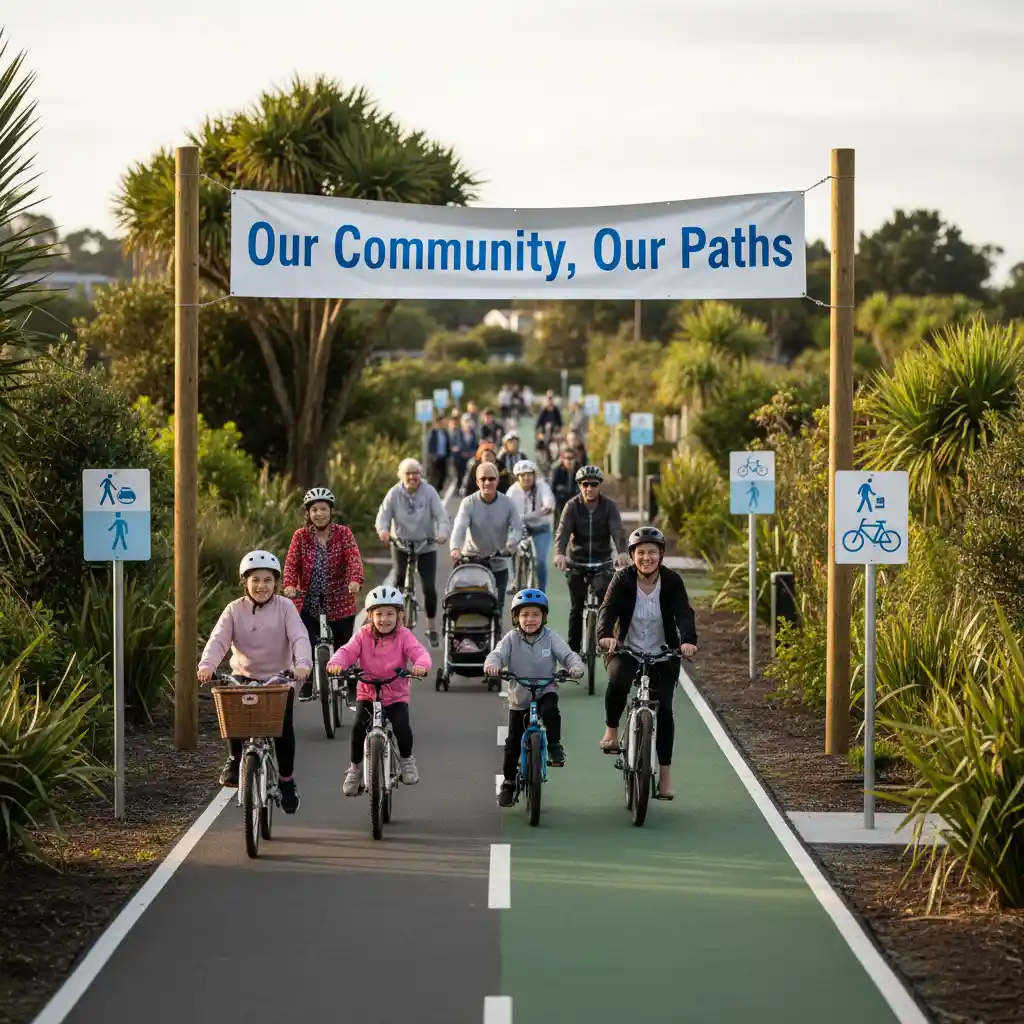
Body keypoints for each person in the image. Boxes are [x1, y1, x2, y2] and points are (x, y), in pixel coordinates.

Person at [198, 550, 311, 813]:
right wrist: (207, 666)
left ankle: (286, 780)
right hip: (243, 676)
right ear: (245, 582)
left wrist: (303, 664)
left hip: (279, 677)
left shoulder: (285, 607)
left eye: (268, 580)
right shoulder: (234, 610)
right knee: (234, 716)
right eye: (256, 580)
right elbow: (218, 640)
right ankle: (235, 757)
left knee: (282, 730)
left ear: (276, 582)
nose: (262, 586)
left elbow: (299, 638)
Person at [597, 526, 698, 801]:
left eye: (652, 552)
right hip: (626, 649)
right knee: (617, 680)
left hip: (662, 653)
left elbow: (684, 614)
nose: (647, 558)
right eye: (641, 553)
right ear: (632, 556)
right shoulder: (622, 580)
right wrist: (605, 636)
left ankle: (664, 776)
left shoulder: (672, 581)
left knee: (664, 709)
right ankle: (612, 729)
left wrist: (687, 641)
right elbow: (608, 609)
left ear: (661, 555)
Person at [327, 586, 431, 796]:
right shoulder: (363, 635)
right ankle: (355, 769)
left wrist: (421, 665)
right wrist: (336, 663)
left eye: (390, 613)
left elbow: (419, 653)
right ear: (370, 615)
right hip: (368, 693)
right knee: (357, 730)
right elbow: (346, 652)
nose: (385, 619)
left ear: (400, 614)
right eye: (379, 614)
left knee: (402, 728)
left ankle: (407, 760)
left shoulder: (404, 635)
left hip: (395, 695)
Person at [485, 589, 584, 807]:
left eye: (536, 614)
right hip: (520, 695)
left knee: (550, 712)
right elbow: (497, 654)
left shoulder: (551, 638)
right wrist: (492, 664)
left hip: (544, 689)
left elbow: (567, 655)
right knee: (512, 743)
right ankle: (509, 783)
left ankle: (555, 745)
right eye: (525, 614)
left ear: (544, 617)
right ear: (516, 618)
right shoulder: (511, 638)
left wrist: (574, 666)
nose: (530, 619)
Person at [283, 487, 364, 701]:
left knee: (344, 643)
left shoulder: (343, 533)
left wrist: (355, 580)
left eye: (324, 509)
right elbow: (291, 564)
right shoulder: (300, 537)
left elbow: (353, 558)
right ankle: (308, 681)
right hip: (308, 600)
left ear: (331, 511)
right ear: (308, 513)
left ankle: (349, 679)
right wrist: (290, 585)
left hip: (339, 599)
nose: (319, 514)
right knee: (305, 642)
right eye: (315, 510)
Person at [375, 458, 451, 648]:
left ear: (420, 475)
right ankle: (395, 624)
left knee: (428, 587)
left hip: (426, 544)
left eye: (415, 473)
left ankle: (431, 626)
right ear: (402, 476)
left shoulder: (429, 492)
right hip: (400, 543)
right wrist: (383, 531)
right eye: (408, 473)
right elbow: (383, 516)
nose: (412, 477)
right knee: (399, 580)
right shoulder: (394, 493)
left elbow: (441, 516)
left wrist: (442, 533)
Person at [554, 465, 629, 654]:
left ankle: (608, 641)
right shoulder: (572, 506)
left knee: (607, 601)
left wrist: (621, 552)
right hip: (577, 561)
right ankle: (573, 651)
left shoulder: (609, 506)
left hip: (602, 561)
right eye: (585, 484)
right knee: (576, 608)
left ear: (599, 486)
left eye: (593, 484)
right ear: (579, 485)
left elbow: (617, 530)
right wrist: (560, 553)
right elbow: (563, 532)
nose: (589, 488)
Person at [450, 463, 524, 616]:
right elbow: (459, 527)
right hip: (472, 562)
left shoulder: (507, 503)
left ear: (497, 481)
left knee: (497, 608)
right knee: (467, 606)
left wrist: (510, 545)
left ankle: (495, 638)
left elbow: (517, 528)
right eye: (483, 479)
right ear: (477, 482)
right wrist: (455, 548)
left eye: (491, 479)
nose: (487, 483)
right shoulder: (468, 503)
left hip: (498, 562)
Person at [506, 459, 555, 592]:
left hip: (541, 528)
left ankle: (542, 591)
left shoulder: (542, 486)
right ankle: (515, 580)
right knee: (511, 548)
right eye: (522, 475)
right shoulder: (512, 491)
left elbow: (548, 500)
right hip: (520, 527)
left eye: (529, 474)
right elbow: (506, 510)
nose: (526, 478)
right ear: (517, 478)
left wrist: (547, 507)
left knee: (541, 561)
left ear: (534, 475)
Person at [550, 447, 581, 521]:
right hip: (561, 503)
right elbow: (553, 489)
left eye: (571, 458)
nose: (569, 461)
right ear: (563, 459)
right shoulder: (557, 471)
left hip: (576, 503)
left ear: (575, 459)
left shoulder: (580, 471)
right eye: (566, 458)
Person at [426, 415, 451, 491]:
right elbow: (429, 445)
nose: (444, 423)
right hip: (434, 457)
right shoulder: (432, 432)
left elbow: (448, 445)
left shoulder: (445, 433)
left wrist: (448, 455)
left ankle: (438, 488)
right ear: (438, 422)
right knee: (433, 476)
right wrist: (432, 455)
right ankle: (434, 491)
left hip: (443, 457)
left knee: (444, 475)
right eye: (442, 422)